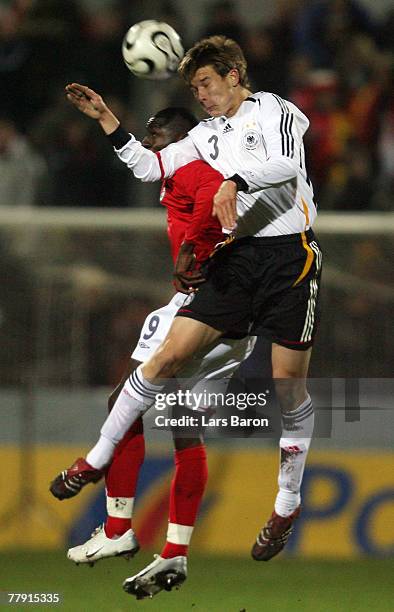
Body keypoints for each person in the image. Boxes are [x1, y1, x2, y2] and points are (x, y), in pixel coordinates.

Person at [52, 35, 322, 599]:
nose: (199, 96)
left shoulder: (273, 109)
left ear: (232, 73)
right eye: (193, 88)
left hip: (290, 256)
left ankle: (286, 505)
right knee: (165, 359)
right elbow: (151, 166)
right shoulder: (203, 135)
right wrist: (106, 118)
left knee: (287, 387)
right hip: (238, 261)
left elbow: (288, 163)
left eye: (205, 83)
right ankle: (97, 462)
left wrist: (234, 180)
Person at [49, 106, 255, 580]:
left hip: (200, 304)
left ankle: (117, 521)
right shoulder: (183, 167)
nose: (149, 142)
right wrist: (105, 118)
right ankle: (177, 550)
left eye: (156, 134)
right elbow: (142, 162)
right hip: (238, 320)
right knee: (186, 429)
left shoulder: (196, 167)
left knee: (124, 398)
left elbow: (207, 197)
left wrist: (194, 242)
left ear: (181, 137)